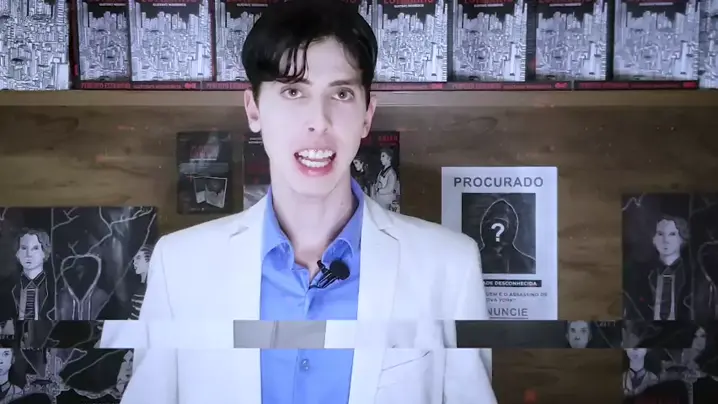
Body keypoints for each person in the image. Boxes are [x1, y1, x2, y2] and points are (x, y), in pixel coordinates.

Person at [101, 0, 494, 403]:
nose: (319, 121)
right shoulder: (181, 266)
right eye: (293, 91)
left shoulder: (449, 268)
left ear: (367, 114)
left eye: (341, 93)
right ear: (254, 109)